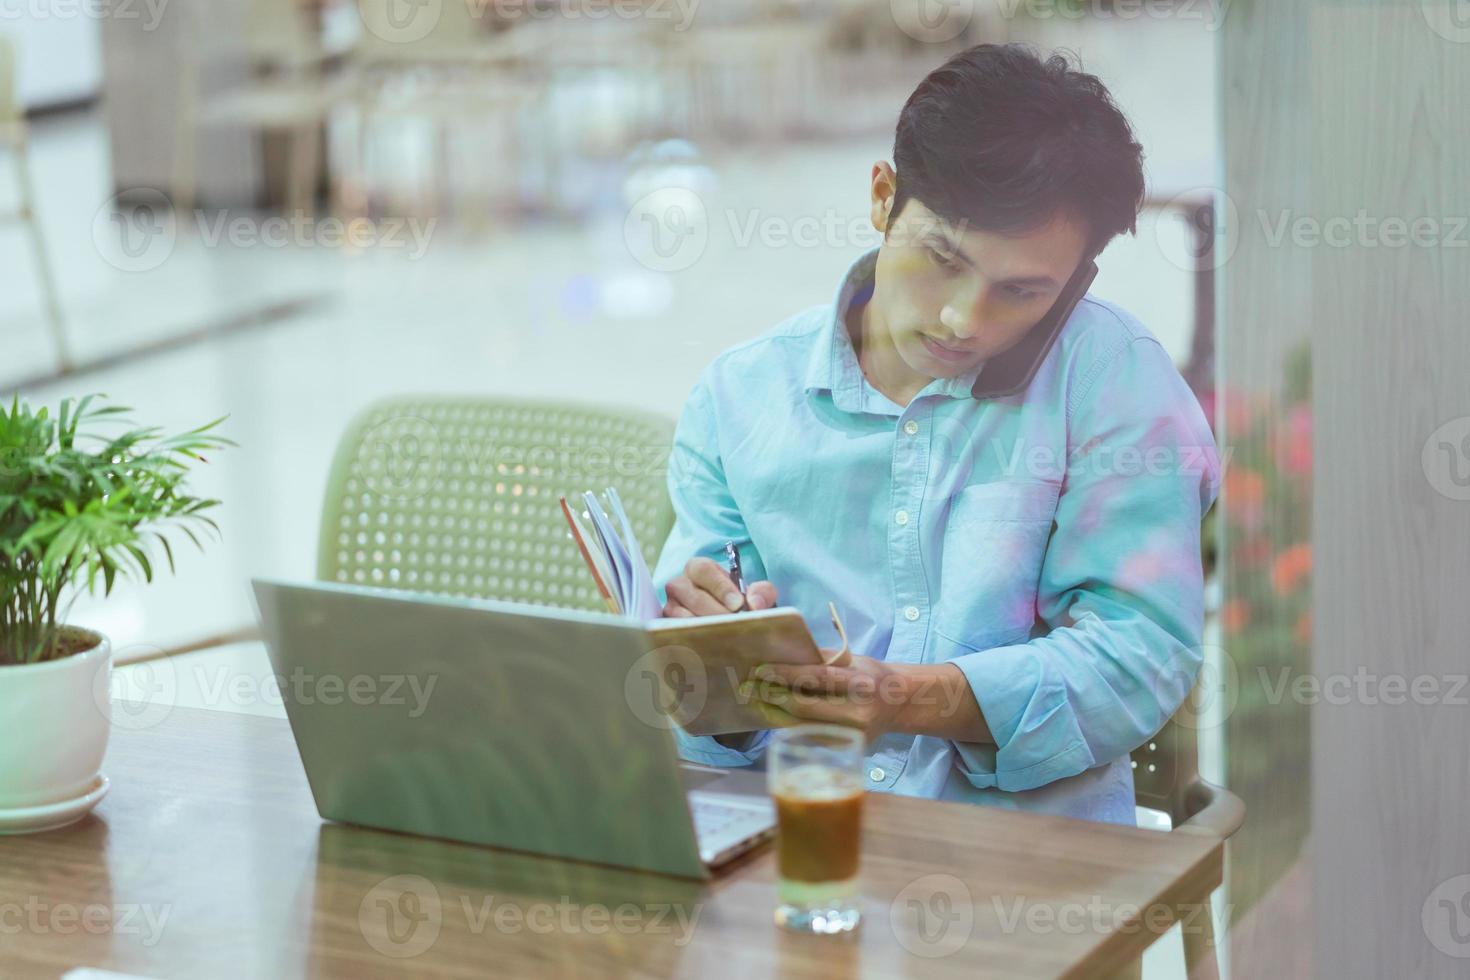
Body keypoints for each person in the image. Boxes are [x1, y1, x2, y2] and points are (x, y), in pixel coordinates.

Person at [651, 43, 1220, 825]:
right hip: (789, 837)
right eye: (942, 259)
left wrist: (916, 700)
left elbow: (1141, 658)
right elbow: (687, 694)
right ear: (883, 198)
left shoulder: (1113, 383)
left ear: (1078, 280)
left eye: (1021, 291)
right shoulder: (741, 396)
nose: (963, 319)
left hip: (1019, 870)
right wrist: (706, 656)